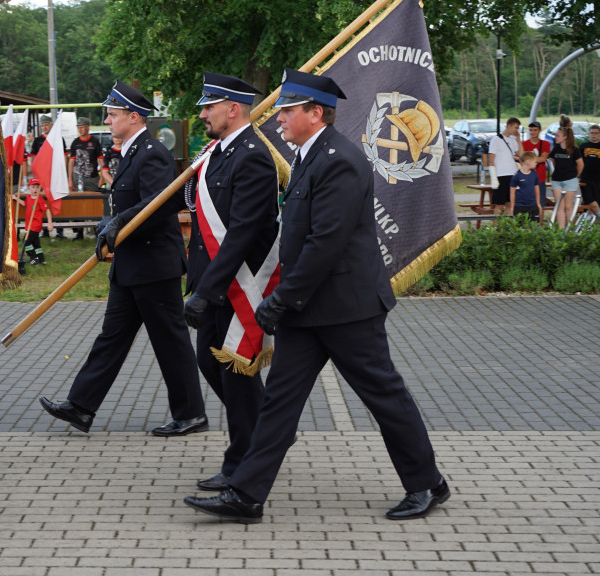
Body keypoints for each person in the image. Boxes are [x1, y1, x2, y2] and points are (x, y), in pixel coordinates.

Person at [184, 69, 448, 524]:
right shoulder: (309, 156)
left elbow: (325, 242)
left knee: (384, 397)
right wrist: (288, 300)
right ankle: (246, 494)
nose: (279, 119)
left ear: (316, 113)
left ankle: (427, 483)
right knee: (279, 404)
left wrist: (281, 298)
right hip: (306, 311)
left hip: (347, 309)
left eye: (288, 111)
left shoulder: (340, 160)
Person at [39, 81, 207, 436]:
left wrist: (120, 222)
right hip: (130, 266)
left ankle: (191, 414)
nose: (107, 121)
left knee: (171, 342)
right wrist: (110, 224)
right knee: (111, 338)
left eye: (113, 115)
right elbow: (129, 206)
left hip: (154, 266)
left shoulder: (152, 153)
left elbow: (160, 205)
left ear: (134, 117)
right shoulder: (132, 152)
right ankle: (81, 406)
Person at [183, 72, 278, 491]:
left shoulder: (252, 156)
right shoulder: (218, 152)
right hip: (215, 284)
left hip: (238, 288)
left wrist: (206, 291)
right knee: (210, 363)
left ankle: (241, 464)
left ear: (233, 109)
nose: (203, 114)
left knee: (236, 378)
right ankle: (268, 435)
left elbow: (241, 233)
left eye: (209, 107)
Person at [549, 126, 583, 229]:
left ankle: (570, 229)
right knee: (560, 206)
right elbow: (553, 161)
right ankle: (561, 230)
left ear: (565, 137)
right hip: (557, 180)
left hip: (570, 180)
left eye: (558, 135)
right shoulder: (556, 149)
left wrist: (576, 175)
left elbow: (581, 164)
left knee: (569, 206)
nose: (555, 137)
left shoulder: (574, 150)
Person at [578, 125, 600, 224]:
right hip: (585, 177)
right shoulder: (583, 146)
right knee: (588, 199)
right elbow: (578, 162)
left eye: (596, 133)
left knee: (595, 200)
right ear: (588, 134)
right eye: (592, 133)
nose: (594, 135)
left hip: (598, 177)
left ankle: (588, 222)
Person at [19, 177, 55, 264]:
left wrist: (50, 223)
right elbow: (24, 203)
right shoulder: (28, 197)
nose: (35, 189)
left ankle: (34, 258)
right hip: (29, 225)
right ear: (29, 188)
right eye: (33, 187)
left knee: (26, 242)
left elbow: (47, 210)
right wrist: (15, 198)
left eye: (37, 187)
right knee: (35, 243)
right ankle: (41, 259)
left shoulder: (40, 199)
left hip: (35, 225)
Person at [490, 117, 521, 215]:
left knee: (510, 203)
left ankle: (507, 223)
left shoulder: (513, 140)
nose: (517, 130)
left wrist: (518, 140)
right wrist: (494, 178)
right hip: (501, 175)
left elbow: (521, 155)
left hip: (512, 174)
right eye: (516, 128)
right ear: (509, 126)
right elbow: (491, 160)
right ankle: (496, 224)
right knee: (499, 204)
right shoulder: (496, 140)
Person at [68, 116, 105, 192]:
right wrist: (70, 180)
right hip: (78, 178)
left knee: (93, 198)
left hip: (92, 178)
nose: (79, 130)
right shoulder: (75, 142)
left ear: (87, 127)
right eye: (78, 127)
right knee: (78, 198)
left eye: (82, 127)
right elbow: (71, 162)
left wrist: (102, 178)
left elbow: (101, 161)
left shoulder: (95, 141)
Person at [508, 151, 543, 223]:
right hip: (519, 206)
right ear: (528, 162)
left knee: (534, 225)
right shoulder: (516, 176)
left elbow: (537, 189)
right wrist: (512, 206)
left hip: (532, 205)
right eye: (535, 161)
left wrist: (538, 204)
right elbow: (512, 192)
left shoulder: (534, 174)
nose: (536, 163)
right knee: (520, 226)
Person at [522, 121, 551, 205]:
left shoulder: (545, 144)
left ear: (539, 131)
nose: (532, 132)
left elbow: (543, 158)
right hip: (527, 178)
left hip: (540, 178)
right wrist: (536, 159)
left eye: (535, 130)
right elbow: (521, 158)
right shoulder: (524, 144)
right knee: (527, 203)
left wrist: (528, 159)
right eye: (531, 130)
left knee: (540, 203)